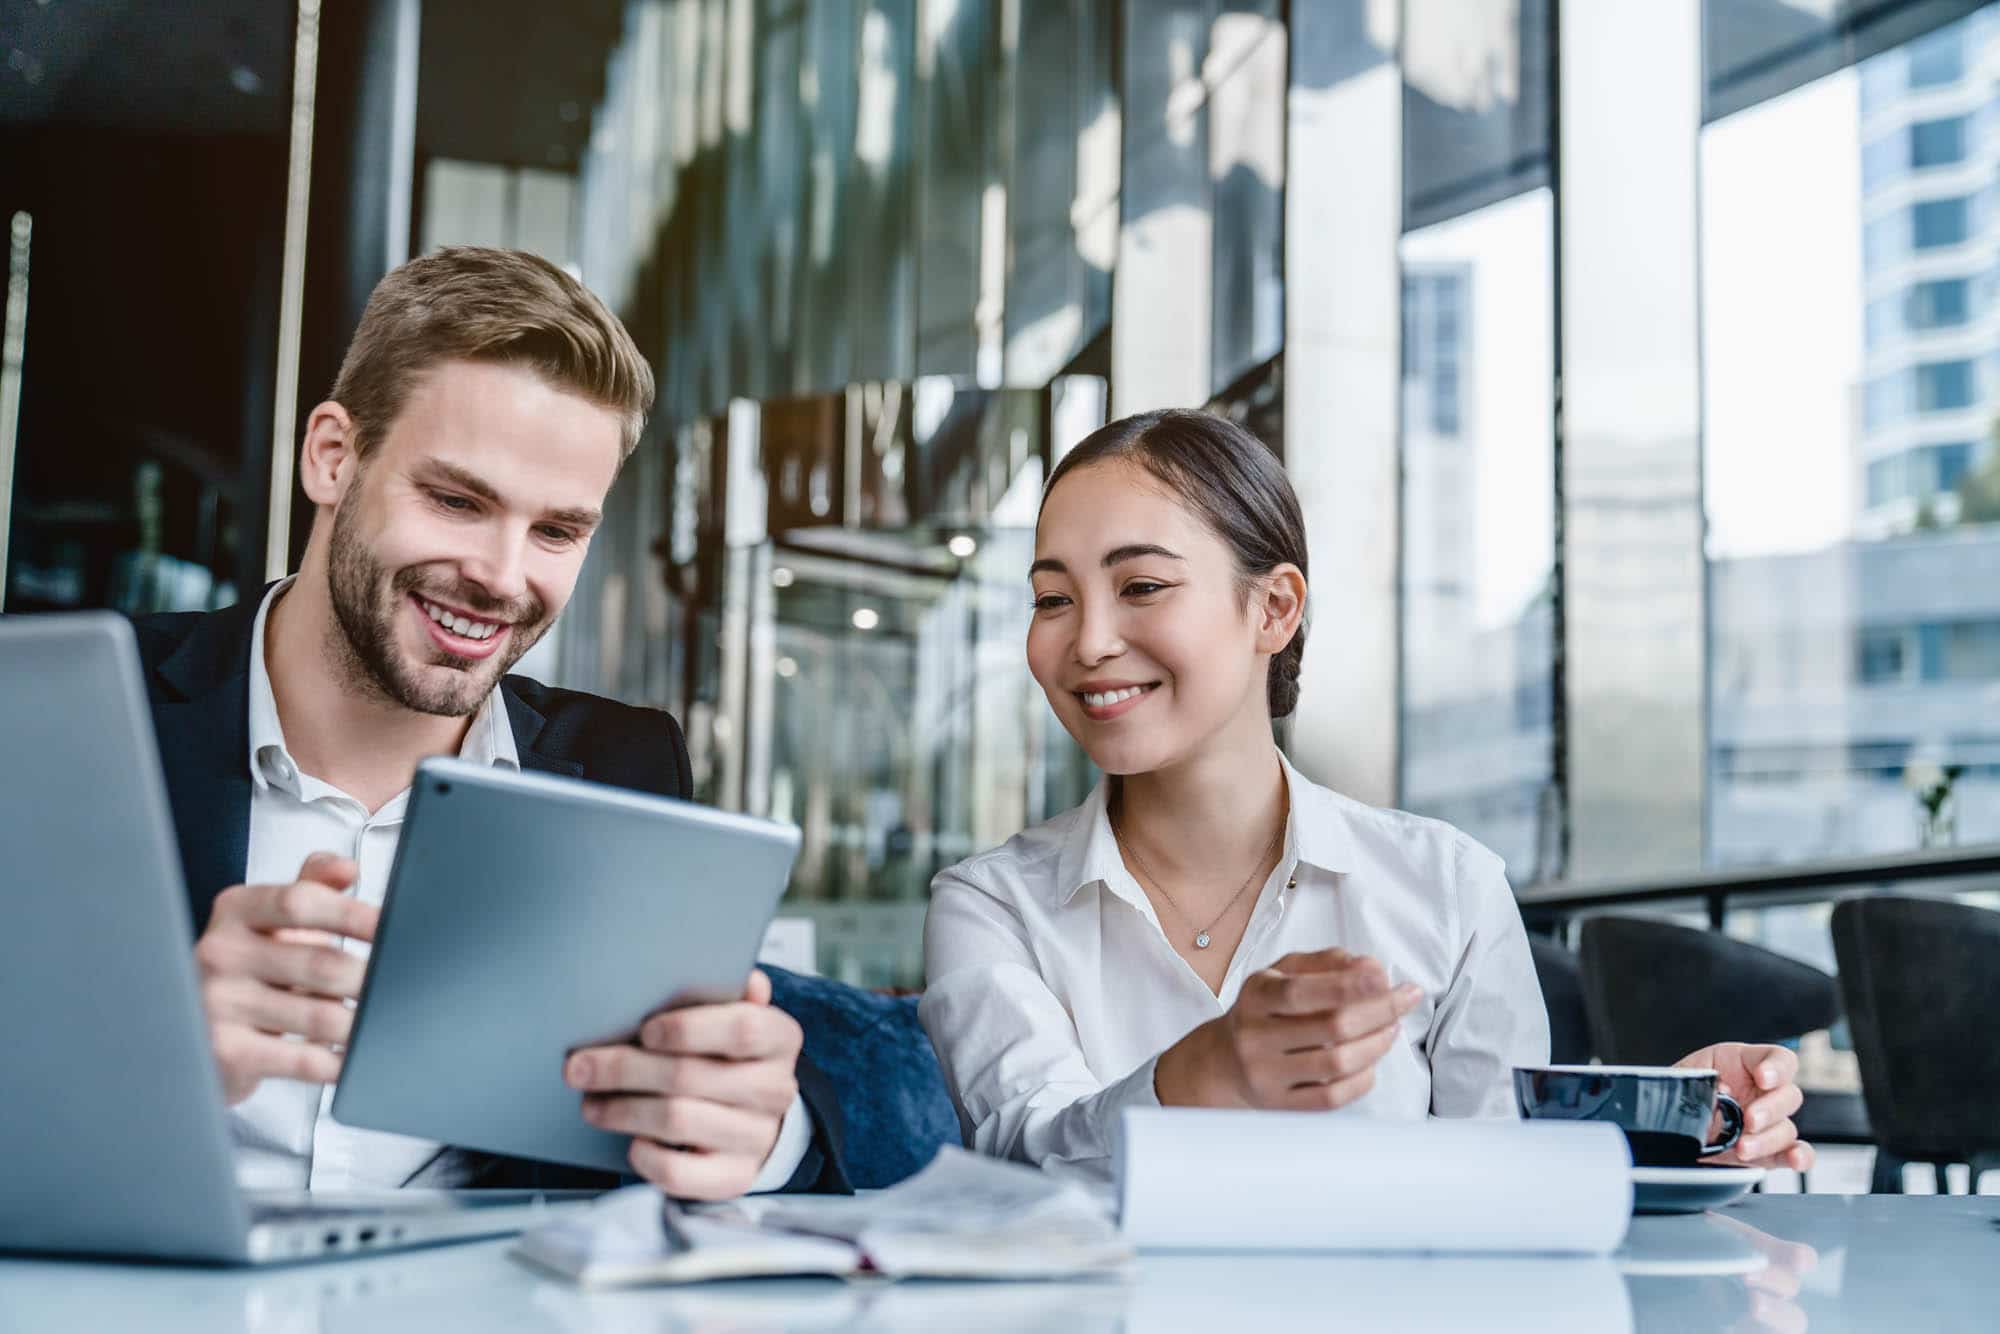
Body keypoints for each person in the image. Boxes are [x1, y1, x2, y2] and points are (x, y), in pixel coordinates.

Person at [919, 408, 1815, 1181]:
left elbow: (1506, 1182)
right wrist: (1203, 1076)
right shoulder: (993, 905)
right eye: (1052, 599)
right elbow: (1019, 1155)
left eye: (1142, 586)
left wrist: (1663, 1131)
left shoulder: (1448, 885)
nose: (1089, 642)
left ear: (1273, 609)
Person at [138, 246, 843, 1199]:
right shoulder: (90, 711)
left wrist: (758, 1135)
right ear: (333, 457)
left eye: (556, 531)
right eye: (457, 501)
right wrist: (135, 1058)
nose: (504, 578)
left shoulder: (628, 766)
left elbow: (680, 1145)